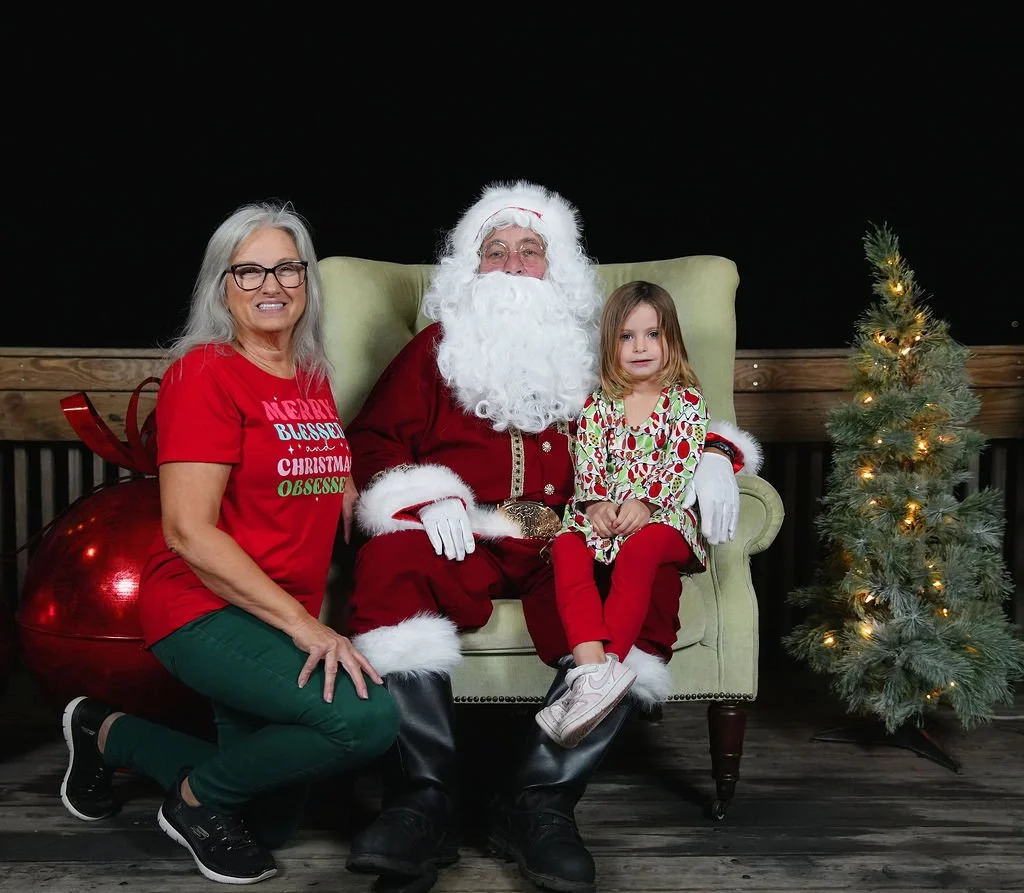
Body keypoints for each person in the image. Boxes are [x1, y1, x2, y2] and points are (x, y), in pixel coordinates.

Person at [342, 181, 761, 893]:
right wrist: (426, 491)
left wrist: (718, 458)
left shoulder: (596, 349)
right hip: (464, 530)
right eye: (495, 251)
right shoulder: (434, 350)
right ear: (472, 269)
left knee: (644, 582)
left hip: (573, 531)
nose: (510, 265)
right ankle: (424, 800)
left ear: (555, 266)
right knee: (390, 558)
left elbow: (669, 408)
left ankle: (539, 801)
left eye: (528, 251)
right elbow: (373, 439)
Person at [58, 201, 399, 886]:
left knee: (270, 823)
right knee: (366, 720)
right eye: (248, 271)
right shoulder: (205, 373)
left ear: (307, 280)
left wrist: (359, 492)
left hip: (275, 611)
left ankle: (103, 730)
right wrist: (306, 625)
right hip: (204, 609)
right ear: (221, 286)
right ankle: (192, 802)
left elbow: (312, 469)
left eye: (286, 268)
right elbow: (188, 530)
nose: (270, 285)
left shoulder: (310, 375)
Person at [537, 281, 710, 750]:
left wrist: (645, 503)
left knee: (642, 547)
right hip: (605, 516)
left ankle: (610, 664)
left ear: (671, 339)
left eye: (651, 334)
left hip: (664, 519)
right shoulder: (598, 405)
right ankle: (592, 671)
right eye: (626, 337)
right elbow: (587, 465)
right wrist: (595, 505)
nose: (639, 347)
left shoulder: (686, 402)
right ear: (609, 344)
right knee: (566, 545)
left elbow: (679, 464)